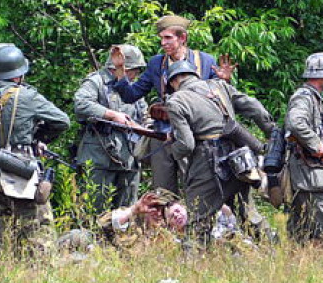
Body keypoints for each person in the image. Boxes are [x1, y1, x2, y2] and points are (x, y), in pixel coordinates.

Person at [0, 45, 70, 255]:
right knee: (36, 232)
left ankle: (1, 276)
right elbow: (62, 121)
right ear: (19, 74)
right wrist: (40, 138)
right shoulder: (29, 97)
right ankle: (39, 276)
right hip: (23, 171)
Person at [163, 59, 275, 246]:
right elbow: (254, 107)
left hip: (206, 161)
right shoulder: (219, 86)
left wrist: (172, 148)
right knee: (246, 213)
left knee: (199, 217)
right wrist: (272, 134)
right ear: (194, 75)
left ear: (173, 82)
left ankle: (193, 265)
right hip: (239, 158)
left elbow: (187, 144)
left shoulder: (176, 100)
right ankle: (275, 250)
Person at [110, 15, 225, 193]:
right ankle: (165, 221)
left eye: (168, 37)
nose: (163, 43)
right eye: (161, 38)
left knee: (199, 189)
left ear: (183, 38)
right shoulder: (157, 63)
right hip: (163, 135)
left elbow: (221, 99)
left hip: (196, 136)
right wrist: (119, 71)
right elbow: (131, 95)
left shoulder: (205, 61)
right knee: (162, 191)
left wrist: (224, 82)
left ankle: (201, 221)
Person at [73, 44, 148, 211]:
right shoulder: (97, 81)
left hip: (129, 158)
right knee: (94, 210)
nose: (136, 74)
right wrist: (112, 115)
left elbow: (143, 113)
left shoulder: (130, 86)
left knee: (127, 211)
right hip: (99, 157)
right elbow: (81, 104)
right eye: (135, 70)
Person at [285, 52, 323, 243]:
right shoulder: (304, 98)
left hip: (309, 173)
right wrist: (315, 144)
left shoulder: (315, 99)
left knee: (302, 229)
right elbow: (295, 123)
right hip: (308, 173)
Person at [56, 189, 188, 255]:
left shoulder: (167, 241)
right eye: (153, 208)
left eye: (163, 212)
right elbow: (102, 224)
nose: (157, 213)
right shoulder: (134, 217)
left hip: (107, 264)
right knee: (77, 235)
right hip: (97, 248)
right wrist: (134, 210)